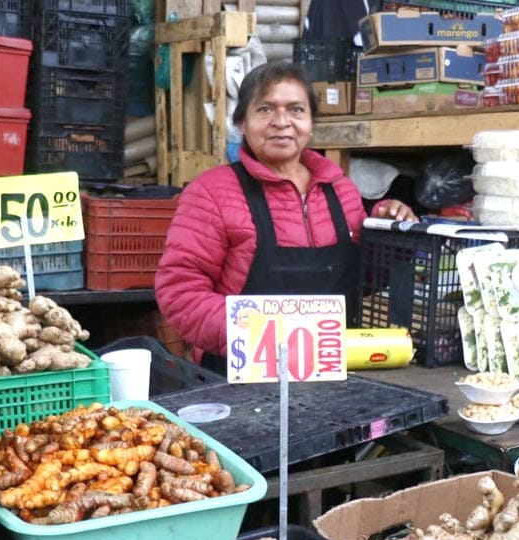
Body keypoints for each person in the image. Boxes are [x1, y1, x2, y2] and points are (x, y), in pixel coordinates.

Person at [155, 60, 416, 372]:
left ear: (311, 122)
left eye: (296, 109)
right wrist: (260, 336)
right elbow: (180, 293)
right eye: (265, 109)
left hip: (333, 371)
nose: (282, 121)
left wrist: (387, 229)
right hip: (241, 374)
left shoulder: (341, 190)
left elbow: (364, 282)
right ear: (241, 123)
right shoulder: (211, 193)